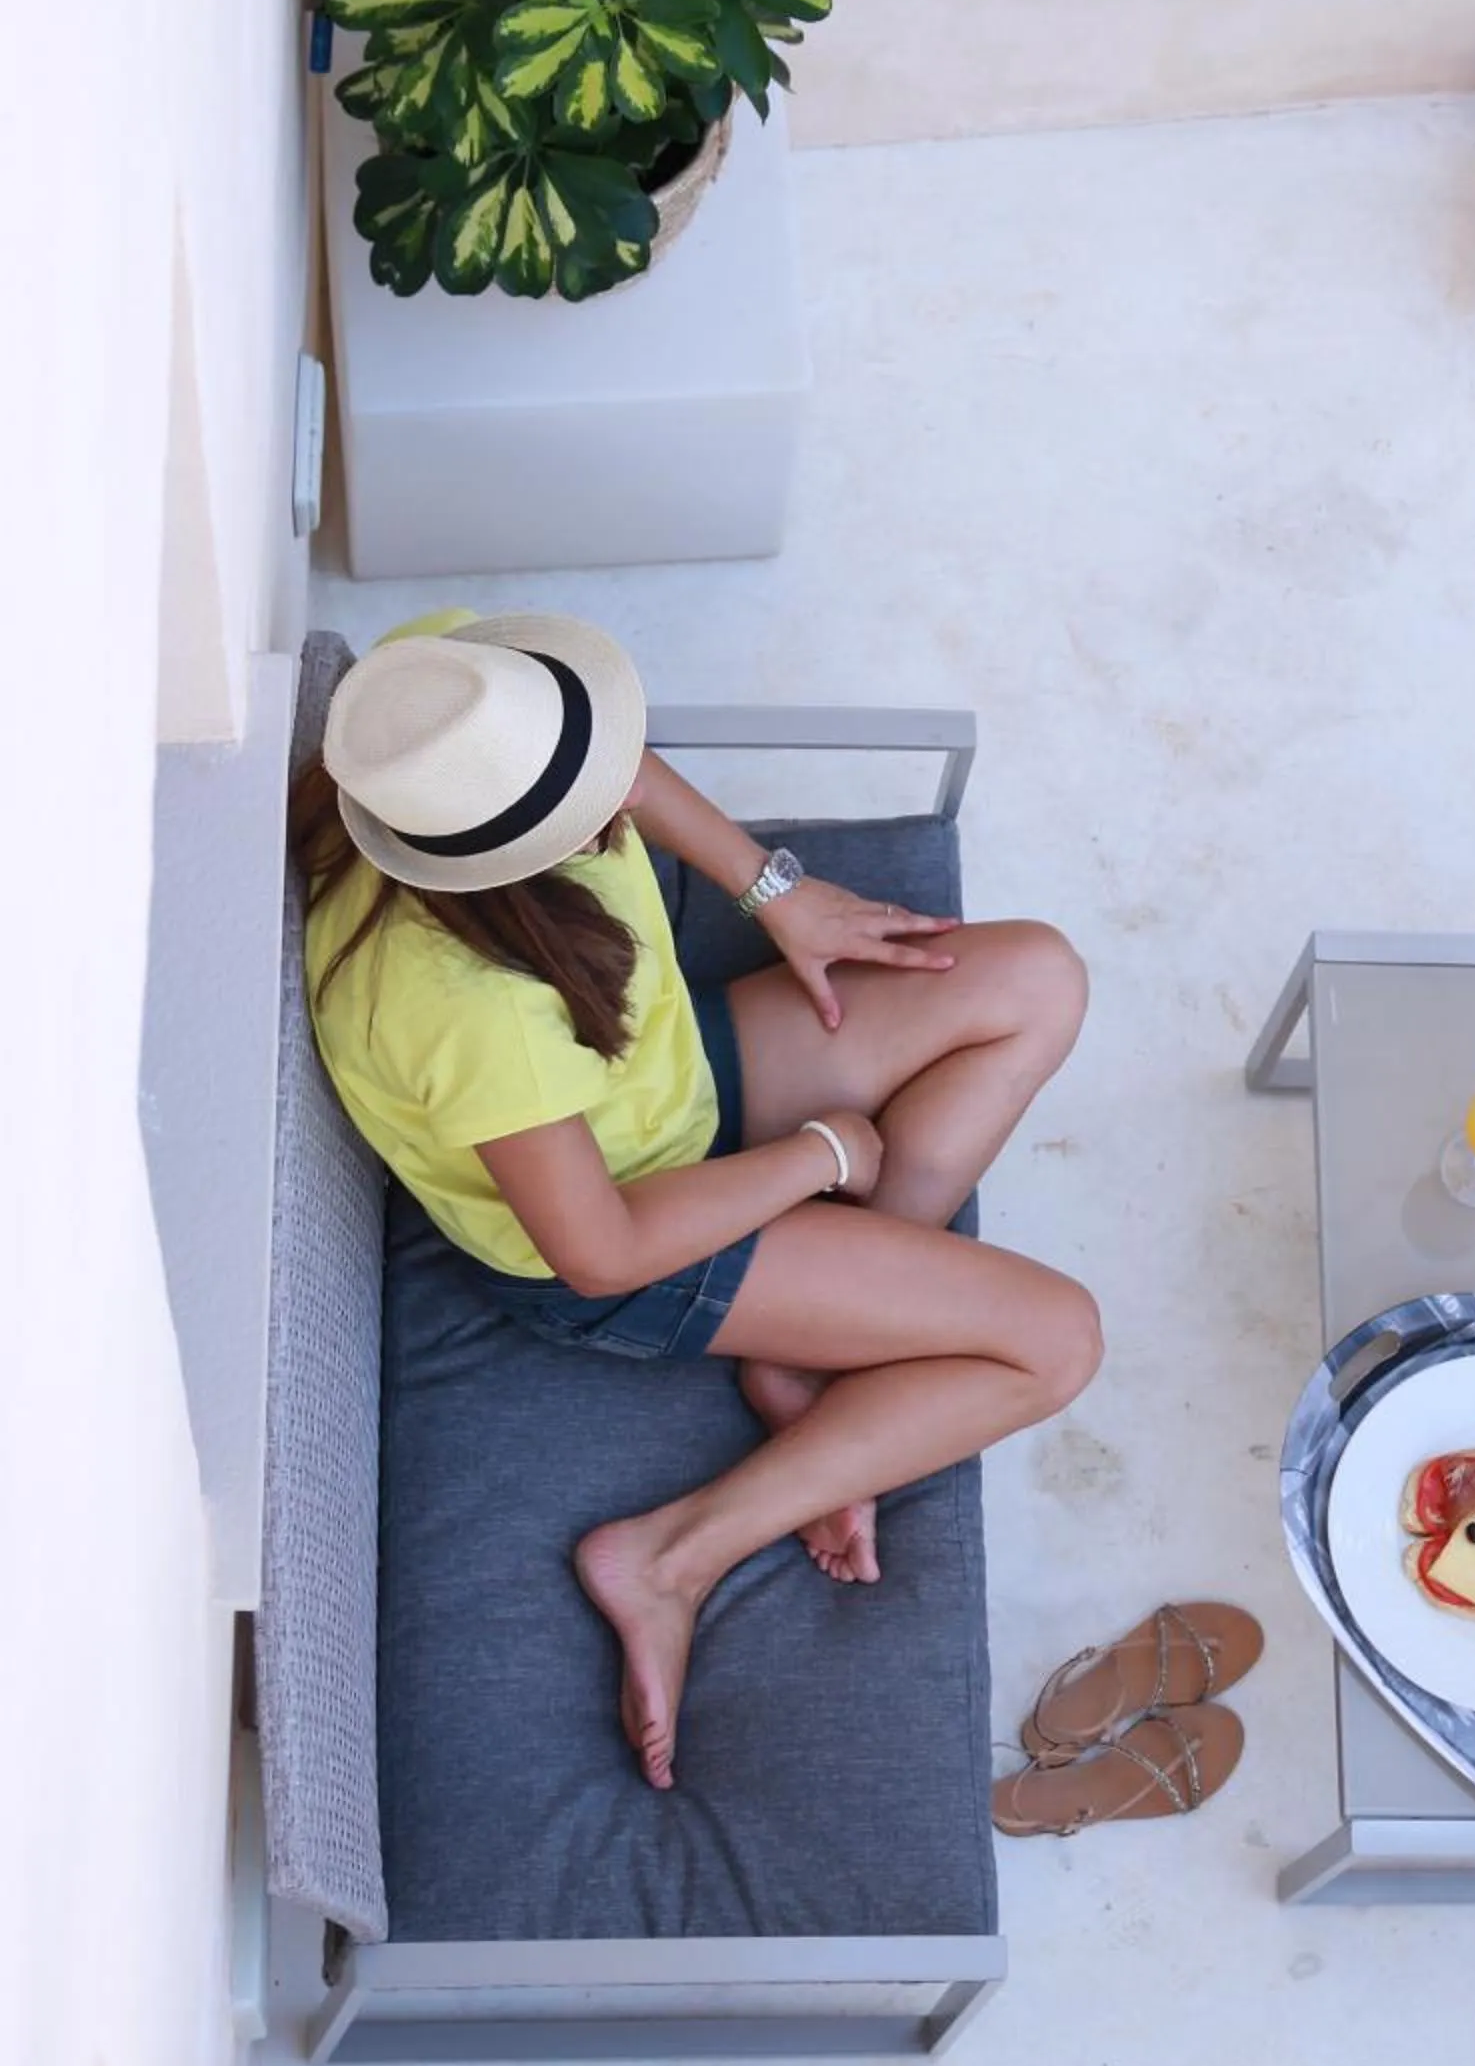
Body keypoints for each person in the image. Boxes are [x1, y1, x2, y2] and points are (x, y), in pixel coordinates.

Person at [291, 608, 1100, 1792]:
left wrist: (772, 889)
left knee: (1037, 974)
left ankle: (826, 1356)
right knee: (1057, 1344)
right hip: (627, 1222)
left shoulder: (445, 709)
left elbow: (606, 758)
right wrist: (822, 1154)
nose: (611, 799)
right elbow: (600, 1252)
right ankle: (673, 1556)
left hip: (672, 1079)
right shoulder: (461, 1007)